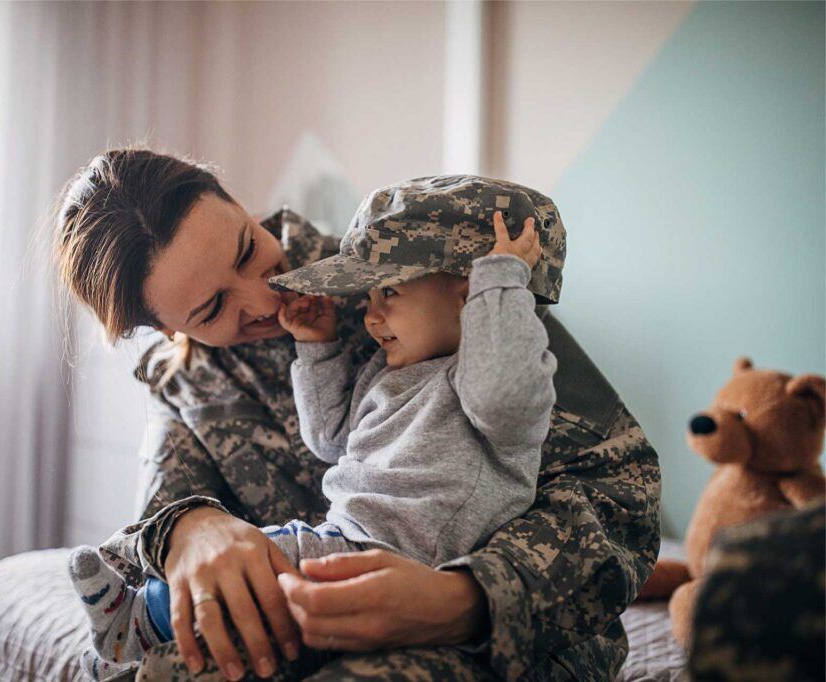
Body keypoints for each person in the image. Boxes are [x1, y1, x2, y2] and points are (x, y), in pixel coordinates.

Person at [53, 147, 661, 681]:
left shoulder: (410, 269)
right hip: (303, 616)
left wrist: (464, 599)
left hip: (504, 641)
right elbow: (148, 536)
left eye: (247, 249)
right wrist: (189, 529)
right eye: (213, 308)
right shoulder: (182, 379)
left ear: (236, 201)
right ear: (165, 327)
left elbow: (619, 491)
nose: (265, 297)